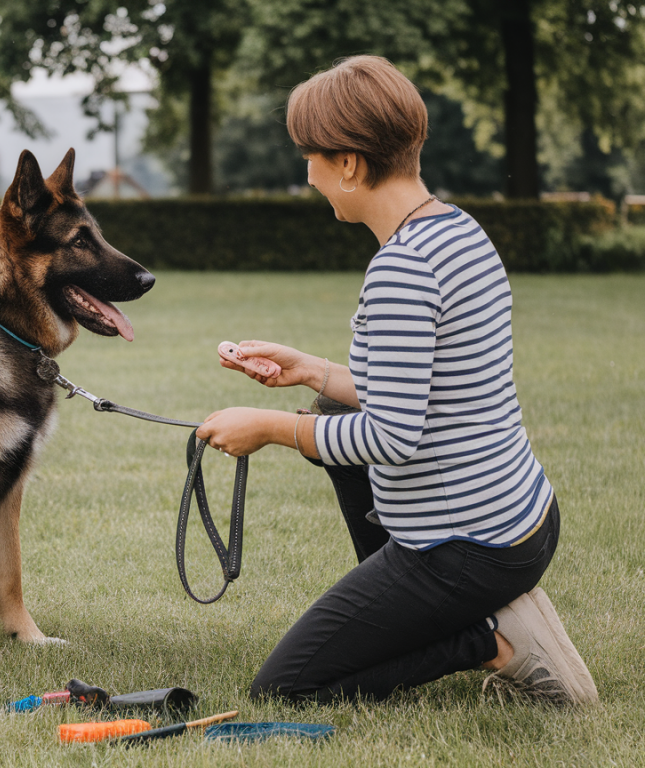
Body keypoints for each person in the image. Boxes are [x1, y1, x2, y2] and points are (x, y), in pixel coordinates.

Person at [196, 56, 597, 706]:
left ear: (348, 164)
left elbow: (392, 435)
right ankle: (440, 609)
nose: (309, 173)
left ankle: (490, 639)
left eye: (311, 157)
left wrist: (269, 428)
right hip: (524, 521)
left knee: (286, 688)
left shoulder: (402, 271)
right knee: (329, 400)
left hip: (468, 551)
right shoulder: (458, 230)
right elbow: (436, 393)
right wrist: (314, 370)